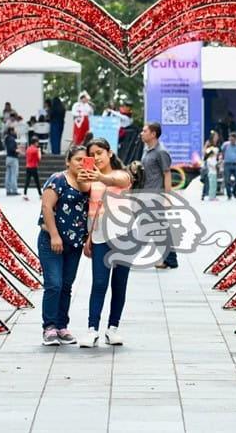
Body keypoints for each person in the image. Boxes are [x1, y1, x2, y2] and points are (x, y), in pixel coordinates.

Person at [77, 138, 132, 348]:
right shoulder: (92, 179)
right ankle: (92, 329)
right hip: (99, 236)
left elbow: (119, 181)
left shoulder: (121, 173)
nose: (97, 157)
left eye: (100, 152)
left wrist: (100, 176)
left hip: (124, 235)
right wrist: (81, 175)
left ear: (109, 153)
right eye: (93, 154)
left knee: (119, 284)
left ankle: (113, 328)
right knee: (99, 283)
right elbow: (88, 199)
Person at [37, 145, 90, 345]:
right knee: (54, 284)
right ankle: (49, 327)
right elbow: (47, 207)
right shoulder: (58, 179)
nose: (81, 163)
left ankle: (61, 326)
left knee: (66, 285)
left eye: (85, 160)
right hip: (52, 241)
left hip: (74, 243)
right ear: (68, 161)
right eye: (77, 159)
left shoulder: (87, 183)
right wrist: (54, 236)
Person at [140, 122, 178, 269]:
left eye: (144, 131)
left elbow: (167, 173)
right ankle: (170, 259)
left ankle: (169, 259)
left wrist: (168, 197)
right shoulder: (147, 150)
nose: (141, 133)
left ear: (153, 134)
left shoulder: (161, 151)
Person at [220, 132, 236, 199]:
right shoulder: (225, 145)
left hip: (235, 165)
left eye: (233, 139)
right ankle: (229, 195)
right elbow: (221, 153)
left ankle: (234, 191)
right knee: (227, 180)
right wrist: (221, 161)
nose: (231, 141)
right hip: (227, 164)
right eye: (230, 139)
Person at [4, 126, 19, 196]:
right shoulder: (12, 139)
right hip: (13, 158)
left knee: (8, 174)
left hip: (8, 158)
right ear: (12, 131)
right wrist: (17, 150)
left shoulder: (6, 138)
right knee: (14, 174)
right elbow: (12, 148)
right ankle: (14, 190)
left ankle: (8, 189)